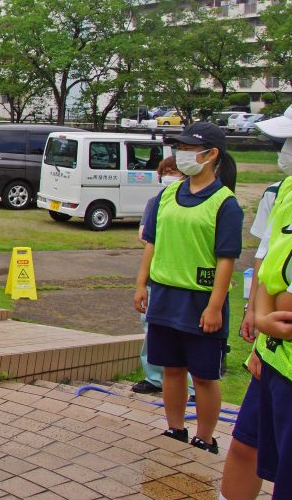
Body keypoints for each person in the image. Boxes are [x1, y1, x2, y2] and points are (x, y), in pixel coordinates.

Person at [134, 122, 243, 455]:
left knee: (205, 375)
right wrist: (142, 283)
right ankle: (175, 427)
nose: (181, 155)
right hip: (165, 294)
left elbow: (226, 259)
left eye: (188, 148)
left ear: (211, 155)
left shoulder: (225, 203)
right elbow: (152, 242)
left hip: (199, 300)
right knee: (171, 368)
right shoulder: (168, 194)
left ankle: (206, 437)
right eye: (179, 148)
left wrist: (214, 306)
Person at [226, 109, 292, 499]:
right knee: (246, 446)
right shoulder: (286, 191)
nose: (285, 152)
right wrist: (260, 323)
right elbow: (270, 263)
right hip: (275, 359)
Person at [131, 156, 189, 396]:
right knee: (153, 329)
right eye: (166, 172)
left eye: (174, 171)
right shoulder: (157, 201)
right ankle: (154, 378)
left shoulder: (202, 202)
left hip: (187, 282)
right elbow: (146, 237)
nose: (169, 176)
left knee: (188, 334)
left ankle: (193, 386)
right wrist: (141, 284)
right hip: (158, 277)